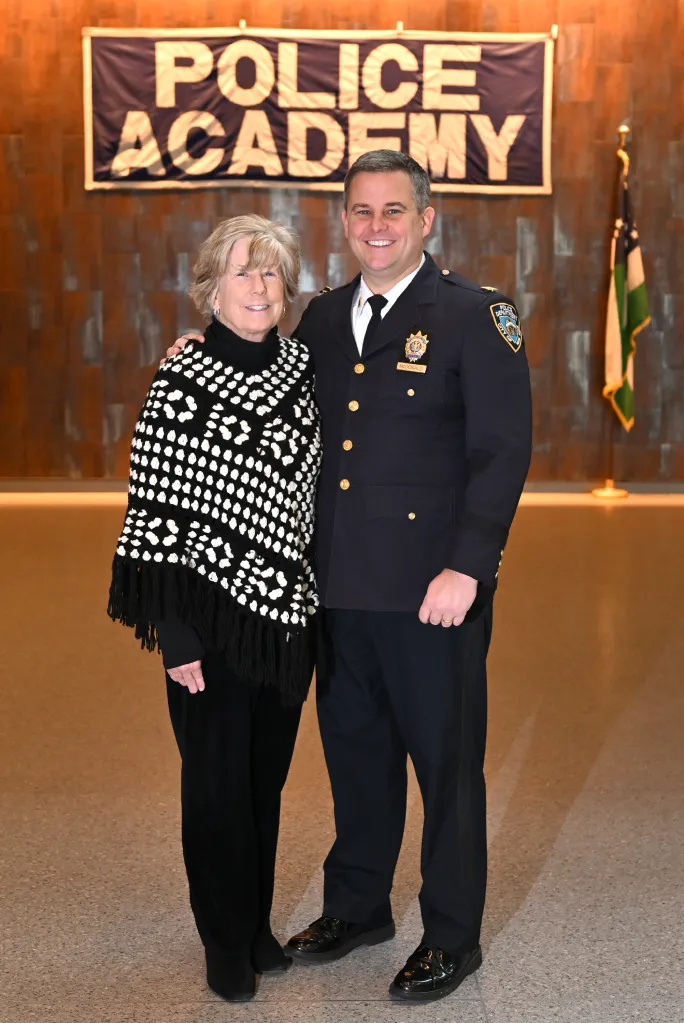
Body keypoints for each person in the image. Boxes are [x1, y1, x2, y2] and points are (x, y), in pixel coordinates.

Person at [166, 150, 532, 1002]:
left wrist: (468, 567)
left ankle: (452, 933)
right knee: (356, 757)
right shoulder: (322, 321)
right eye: (361, 211)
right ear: (343, 220)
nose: (376, 227)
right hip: (334, 588)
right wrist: (198, 350)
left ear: (427, 219)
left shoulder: (477, 315)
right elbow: (259, 380)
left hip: (432, 592)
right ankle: (359, 904)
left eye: (394, 211)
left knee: (446, 766)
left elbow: (502, 452)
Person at [107, 215, 322, 1002]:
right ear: (210, 288)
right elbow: (154, 516)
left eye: (271, 274)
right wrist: (177, 635)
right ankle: (223, 939)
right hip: (209, 628)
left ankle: (258, 922)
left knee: (265, 782)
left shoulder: (304, 368)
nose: (259, 287)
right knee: (215, 786)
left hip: (286, 619)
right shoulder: (181, 380)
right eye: (242, 272)